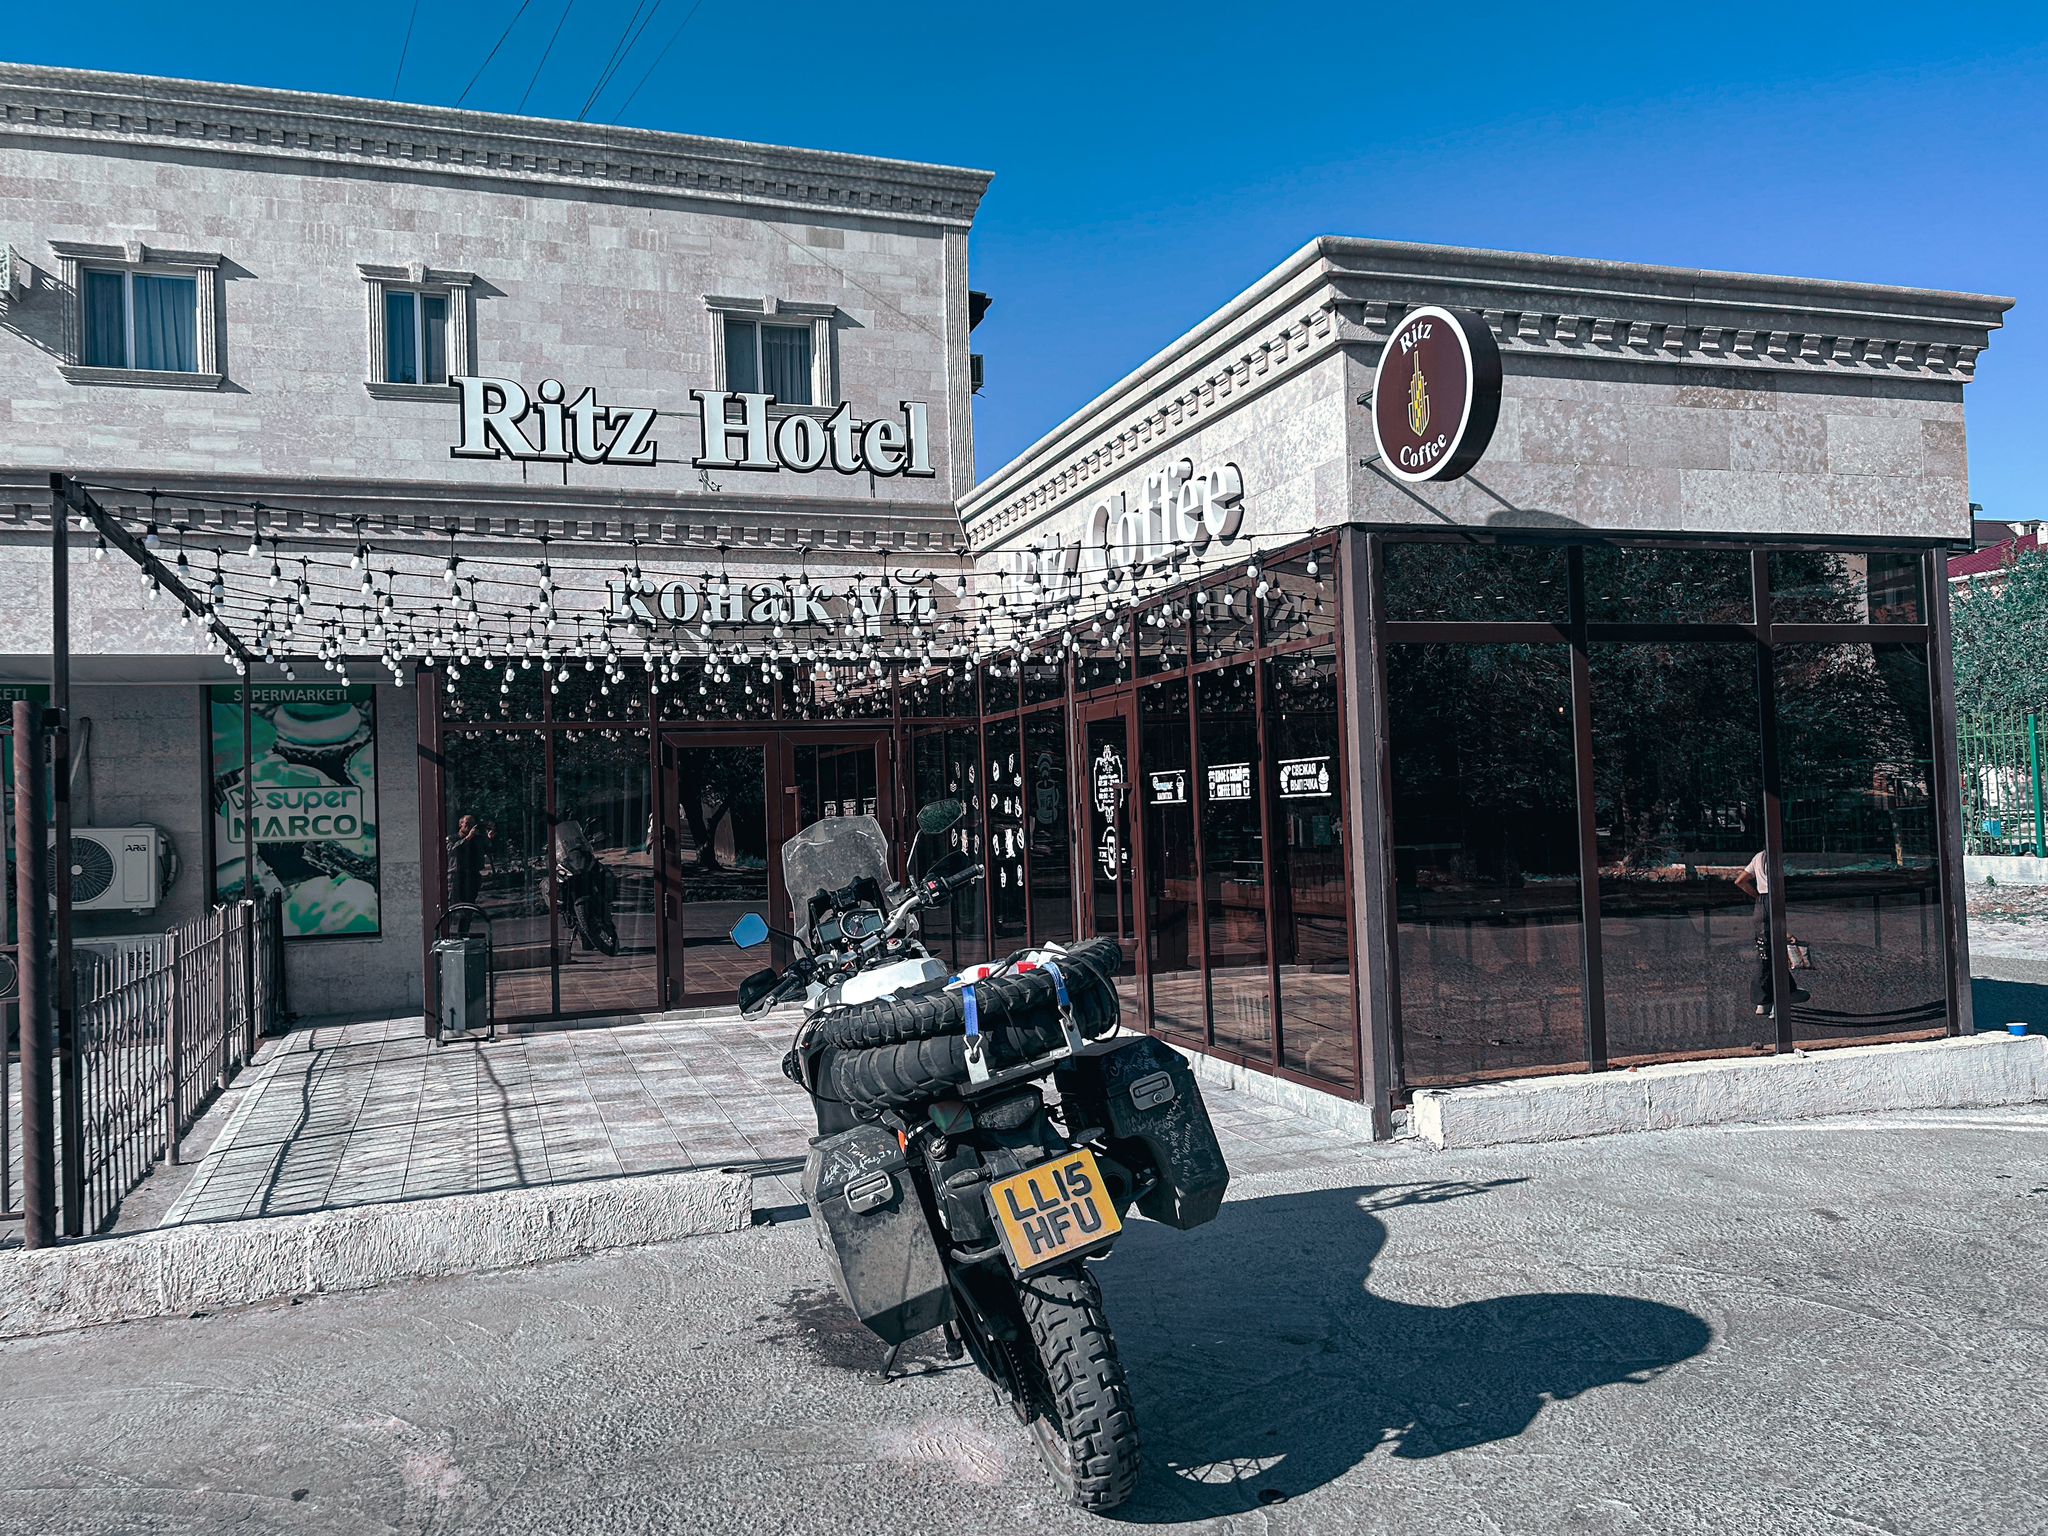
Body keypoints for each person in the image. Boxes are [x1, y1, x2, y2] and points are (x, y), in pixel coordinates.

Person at [1733, 851, 1809, 1016]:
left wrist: (1758, 897)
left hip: (1761, 904)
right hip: (1773, 900)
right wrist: (1786, 932)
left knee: (1765, 953)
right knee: (1776, 953)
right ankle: (1779, 998)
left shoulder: (1759, 856)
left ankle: (1766, 999)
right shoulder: (1776, 856)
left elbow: (1740, 881)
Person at [448, 814, 486, 934]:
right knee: (451, 905)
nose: (470, 827)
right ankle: (444, 932)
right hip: (456, 875)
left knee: (468, 908)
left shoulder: (477, 839)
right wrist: (467, 838)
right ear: (461, 824)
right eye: (467, 824)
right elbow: (452, 850)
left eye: (472, 824)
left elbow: (488, 850)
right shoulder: (452, 838)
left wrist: (489, 838)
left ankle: (463, 933)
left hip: (472, 875)